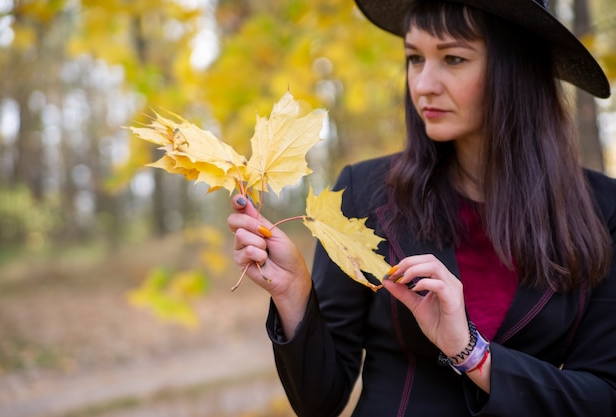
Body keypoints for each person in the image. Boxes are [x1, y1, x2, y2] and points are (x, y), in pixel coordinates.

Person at [227, 0, 616, 415]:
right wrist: (293, 296)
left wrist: (473, 355)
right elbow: (319, 401)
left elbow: (602, 396)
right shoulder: (367, 194)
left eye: (452, 58)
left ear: (516, 68)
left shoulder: (603, 212)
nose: (424, 84)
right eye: (415, 58)